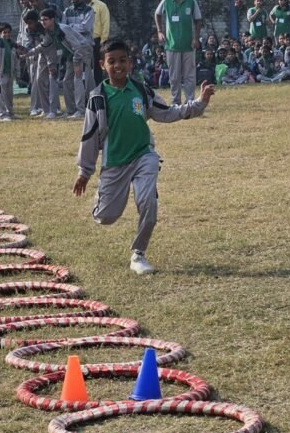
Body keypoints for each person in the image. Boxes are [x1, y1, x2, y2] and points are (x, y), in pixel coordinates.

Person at [74, 38, 215, 275]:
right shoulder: (97, 97)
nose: (118, 66)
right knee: (105, 217)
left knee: (148, 202)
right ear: (102, 65)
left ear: (130, 63)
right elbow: (89, 136)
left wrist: (200, 103)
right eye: (112, 61)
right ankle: (109, 197)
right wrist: (84, 171)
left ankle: (138, 254)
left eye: (122, 61)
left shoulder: (140, 90)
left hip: (144, 157)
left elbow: (168, 112)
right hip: (115, 165)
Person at [154, 0, 203, 105]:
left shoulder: (191, 1)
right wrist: (160, 31)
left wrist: (196, 38)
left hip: (188, 45)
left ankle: (190, 101)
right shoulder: (166, 0)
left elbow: (198, 20)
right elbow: (157, 14)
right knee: (174, 77)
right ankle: (175, 101)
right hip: (172, 45)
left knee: (189, 76)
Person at [81, 0, 110, 81]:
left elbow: (105, 24)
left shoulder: (101, 6)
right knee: (83, 67)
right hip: (81, 41)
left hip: (96, 41)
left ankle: (98, 91)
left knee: (97, 68)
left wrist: (103, 43)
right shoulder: (79, 8)